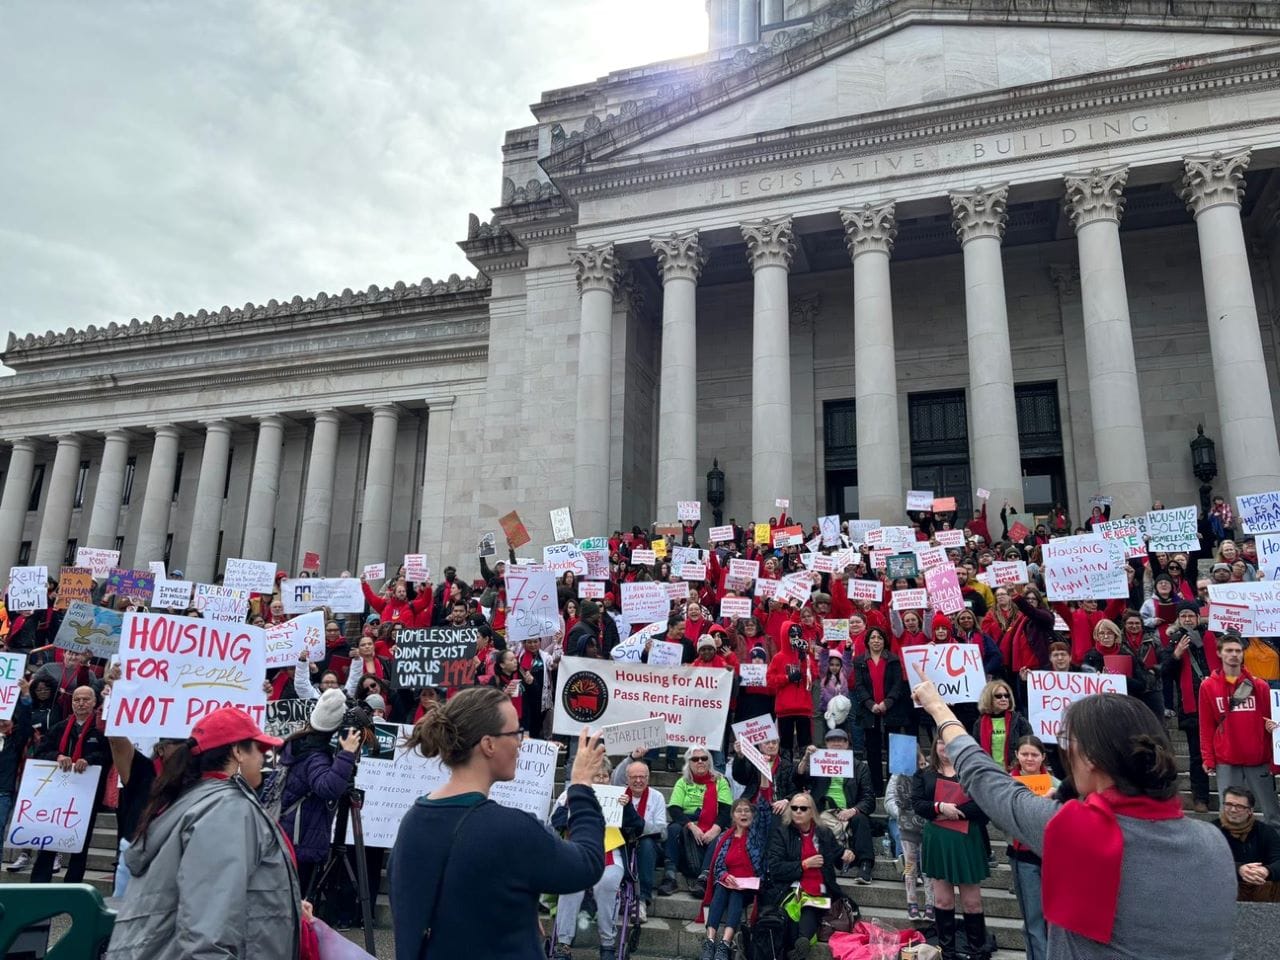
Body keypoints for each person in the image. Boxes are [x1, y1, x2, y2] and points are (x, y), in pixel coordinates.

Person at [912, 675, 1236, 959]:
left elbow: (986, 780)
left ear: (1091, 759)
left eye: (1070, 746)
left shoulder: (1072, 830)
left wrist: (938, 708)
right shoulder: (1213, 841)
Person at [389, 687, 606, 960]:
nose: (521, 742)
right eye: (515, 733)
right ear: (489, 744)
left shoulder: (413, 820)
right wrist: (582, 786)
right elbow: (587, 864)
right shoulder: (511, 829)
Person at [104, 707, 302, 960]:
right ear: (238, 752)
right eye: (259, 749)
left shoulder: (197, 799)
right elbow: (208, 929)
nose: (263, 758)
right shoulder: (226, 809)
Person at [265, 688, 362, 895]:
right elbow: (328, 788)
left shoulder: (300, 742)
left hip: (292, 834)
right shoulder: (315, 756)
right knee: (296, 902)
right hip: (301, 840)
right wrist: (346, 754)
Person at [551, 757, 644, 960]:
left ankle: (608, 944)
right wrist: (571, 810)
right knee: (570, 886)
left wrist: (626, 808)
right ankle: (563, 944)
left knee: (607, 883)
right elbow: (555, 821)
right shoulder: (572, 794)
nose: (602, 779)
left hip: (610, 854)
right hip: (578, 853)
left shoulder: (620, 796)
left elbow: (638, 827)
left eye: (605, 775)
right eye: (597, 776)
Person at [912, 735, 992, 960]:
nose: (945, 747)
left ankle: (978, 952)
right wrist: (939, 806)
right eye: (940, 742)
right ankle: (947, 953)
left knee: (972, 901)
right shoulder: (924, 775)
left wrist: (953, 812)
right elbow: (917, 803)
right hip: (938, 841)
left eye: (950, 743)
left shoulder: (971, 774)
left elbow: (983, 805)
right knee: (943, 900)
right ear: (935, 746)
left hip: (967, 839)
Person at [1198, 632, 1280, 824]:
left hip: (1257, 758)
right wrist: (1208, 757)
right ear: (1219, 653)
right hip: (1226, 759)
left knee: (1272, 813)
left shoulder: (1260, 686)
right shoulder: (1208, 687)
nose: (1234, 654)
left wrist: (1273, 733)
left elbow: (1273, 723)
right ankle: (1230, 852)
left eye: (1238, 650)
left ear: (1243, 654)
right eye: (1229, 650)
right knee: (1228, 813)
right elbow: (1206, 726)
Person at [763, 789, 855, 960]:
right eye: (794, 808)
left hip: (820, 887)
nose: (798, 811)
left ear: (812, 811)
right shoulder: (781, 833)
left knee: (810, 907)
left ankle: (802, 943)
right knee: (792, 915)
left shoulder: (824, 833)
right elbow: (775, 868)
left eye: (803, 808)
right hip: (789, 888)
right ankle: (801, 944)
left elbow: (836, 856)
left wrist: (846, 856)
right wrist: (804, 864)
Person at [31, 684, 109, 884]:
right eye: (77, 699)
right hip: (58, 795)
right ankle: (39, 885)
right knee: (48, 841)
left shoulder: (101, 730)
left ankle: (73, 885)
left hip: (87, 795)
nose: (81, 703)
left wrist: (89, 760)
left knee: (80, 843)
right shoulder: (60, 727)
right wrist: (57, 756)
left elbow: (109, 756)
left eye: (85, 699)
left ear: (94, 702)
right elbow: (41, 752)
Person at [795, 728, 876, 884]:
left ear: (847, 744)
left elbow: (869, 799)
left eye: (840, 740)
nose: (836, 743)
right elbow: (799, 780)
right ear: (826, 744)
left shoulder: (860, 767)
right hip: (823, 810)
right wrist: (806, 757)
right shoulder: (819, 761)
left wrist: (853, 810)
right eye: (832, 740)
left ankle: (865, 865)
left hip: (850, 810)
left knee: (861, 820)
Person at [1008, 736, 1059, 960]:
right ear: (1017, 755)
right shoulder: (1007, 783)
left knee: (1055, 918)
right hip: (1023, 857)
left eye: (1034, 754)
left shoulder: (1056, 784)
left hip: (1052, 857)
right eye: (1025, 754)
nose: (1029, 759)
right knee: (1034, 918)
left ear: (1043, 757)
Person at [696, 798, 766, 960]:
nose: (743, 813)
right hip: (728, 882)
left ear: (752, 815)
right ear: (733, 816)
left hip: (750, 885)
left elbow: (764, 808)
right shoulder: (724, 838)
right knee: (721, 888)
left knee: (736, 894)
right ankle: (710, 941)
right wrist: (726, 876)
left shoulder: (756, 836)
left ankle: (725, 943)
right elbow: (719, 867)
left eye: (747, 810)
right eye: (739, 810)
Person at [657, 747, 733, 896]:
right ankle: (670, 877)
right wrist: (691, 826)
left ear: (709, 762)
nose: (700, 762)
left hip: (714, 822)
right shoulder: (683, 782)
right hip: (689, 823)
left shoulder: (720, 781)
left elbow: (726, 809)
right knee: (673, 830)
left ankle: (703, 879)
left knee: (720, 837)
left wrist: (715, 828)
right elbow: (674, 808)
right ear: (688, 763)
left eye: (704, 758)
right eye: (695, 759)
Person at [851, 625, 909, 796]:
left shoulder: (893, 659)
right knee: (873, 750)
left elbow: (897, 684)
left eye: (880, 638)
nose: (876, 641)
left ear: (885, 641)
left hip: (892, 710)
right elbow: (859, 686)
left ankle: (893, 789)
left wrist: (887, 702)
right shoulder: (859, 661)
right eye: (873, 638)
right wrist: (870, 704)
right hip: (869, 712)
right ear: (867, 641)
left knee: (894, 749)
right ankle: (877, 788)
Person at [885, 745, 934, 921]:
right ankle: (911, 904)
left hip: (927, 825)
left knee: (928, 867)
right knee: (910, 867)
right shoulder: (899, 774)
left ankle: (930, 905)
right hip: (907, 827)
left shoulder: (929, 770)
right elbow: (894, 799)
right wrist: (900, 813)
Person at [621, 759, 667, 921]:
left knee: (647, 844)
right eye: (634, 777)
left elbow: (662, 829)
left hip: (650, 845)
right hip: (624, 842)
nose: (638, 780)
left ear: (648, 778)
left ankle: (641, 900)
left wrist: (640, 828)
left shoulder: (657, 797)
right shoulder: (619, 796)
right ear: (627, 778)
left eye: (642, 777)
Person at [1217, 784, 1280, 902]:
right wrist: (1239, 869)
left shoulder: (1266, 831)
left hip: (1261, 886)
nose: (1233, 810)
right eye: (1229, 804)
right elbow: (1208, 861)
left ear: (1250, 810)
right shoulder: (1212, 830)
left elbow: (1278, 859)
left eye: (1239, 806)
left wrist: (1267, 871)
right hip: (1225, 887)